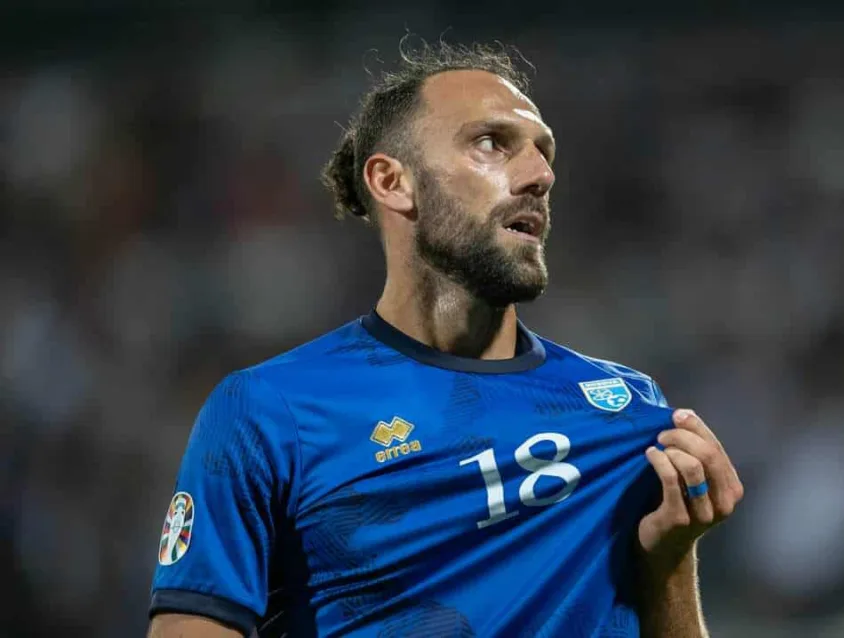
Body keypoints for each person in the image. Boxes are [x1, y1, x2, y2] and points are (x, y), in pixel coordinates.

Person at [147, 41, 744, 638]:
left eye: (543, 152)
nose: (540, 175)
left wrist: (669, 562)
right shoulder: (271, 413)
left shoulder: (626, 413)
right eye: (492, 143)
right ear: (392, 181)